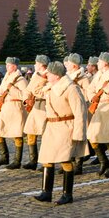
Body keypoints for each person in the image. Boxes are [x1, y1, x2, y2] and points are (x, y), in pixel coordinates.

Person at [34, 61, 88, 205]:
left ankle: (67, 194)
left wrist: (79, 133)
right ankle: (46, 192)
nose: (47, 75)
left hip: (65, 126)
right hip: (51, 126)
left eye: (49, 73)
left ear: (57, 76)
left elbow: (80, 112)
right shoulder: (52, 87)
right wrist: (39, 76)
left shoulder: (71, 89)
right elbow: (35, 91)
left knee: (65, 160)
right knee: (47, 159)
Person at [86, 52, 109, 178]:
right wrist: (94, 98)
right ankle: (103, 161)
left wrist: (108, 89)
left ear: (105, 63)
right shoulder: (98, 75)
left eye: (99, 61)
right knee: (92, 136)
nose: (97, 63)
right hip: (99, 107)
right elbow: (90, 89)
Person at [0, 57, 29, 169]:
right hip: (5, 108)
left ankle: (17, 161)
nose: (6, 66)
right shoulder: (6, 78)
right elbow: (0, 90)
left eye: (9, 65)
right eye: (6, 64)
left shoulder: (21, 80)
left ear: (15, 66)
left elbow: (24, 96)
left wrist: (12, 89)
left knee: (17, 134)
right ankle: (4, 157)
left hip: (16, 108)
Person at [23, 55, 51, 171]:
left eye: (36, 63)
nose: (34, 65)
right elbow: (28, 89)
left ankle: (47, 162)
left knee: (45, 135)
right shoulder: (35, 75)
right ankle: (33, 160)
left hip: (44, 105)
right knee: (31, 133)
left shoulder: (49, 75)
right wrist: (26, 99)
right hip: (34, 106)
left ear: (41, 65)